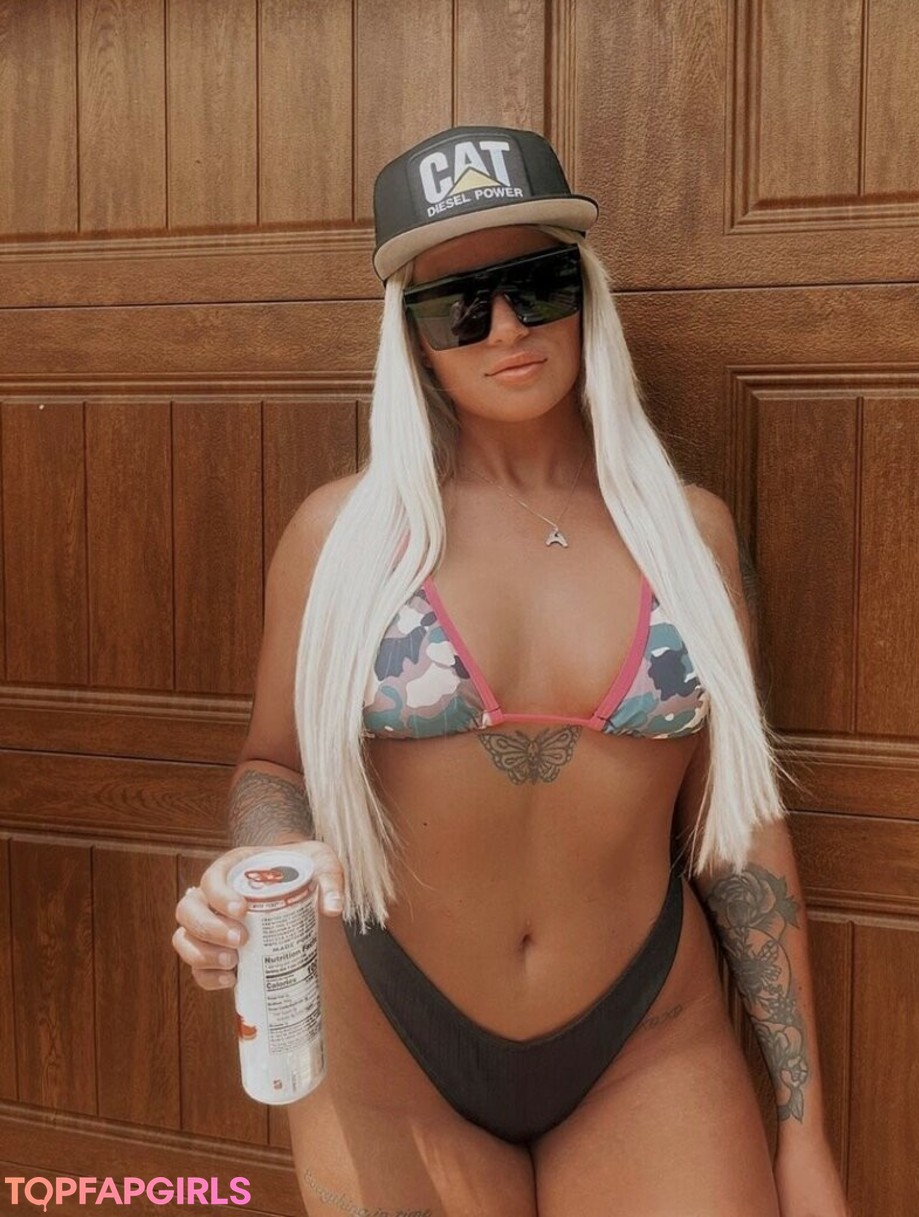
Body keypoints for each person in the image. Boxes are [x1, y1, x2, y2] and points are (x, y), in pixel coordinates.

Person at [173, 125, 849, 1217]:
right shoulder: (340, 538)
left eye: (538, 284)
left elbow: (739, 833)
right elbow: (271, 765)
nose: (506, 328)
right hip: (390, 1038)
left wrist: (805, 1135)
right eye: (457, 305)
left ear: (585, 294)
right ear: (411, 338)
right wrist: (266, 859)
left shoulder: (691, 537)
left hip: (649, 1040)